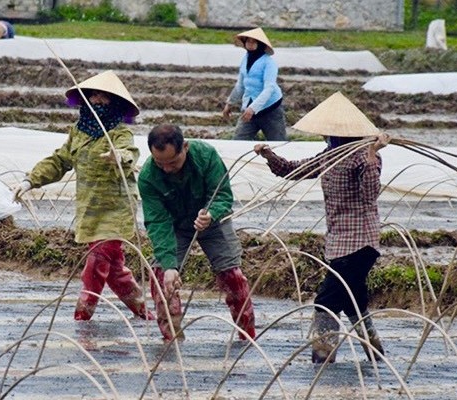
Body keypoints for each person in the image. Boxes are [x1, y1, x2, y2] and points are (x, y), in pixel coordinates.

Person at [252, 92, 390, 363]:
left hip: (360, 243)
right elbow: (292, 170)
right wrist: (268, 154)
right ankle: (375, 353)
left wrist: (373, 154)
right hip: (338, 243)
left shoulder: (363, 156)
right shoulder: (330, 154)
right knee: (353, 300)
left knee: (325, 300)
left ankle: (322, 357)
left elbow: (369, 195)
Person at [11, 71, 153, 322]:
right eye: (93, 96)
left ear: (115, 103)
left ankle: (82, 314)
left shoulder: (119, 133)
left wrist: (118, 156)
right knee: (115, 269)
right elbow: (60, 160)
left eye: (104, 97)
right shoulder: (78, 131)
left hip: (115, 209)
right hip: (89, 208)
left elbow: (129, 152)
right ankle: (143, 312)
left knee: (97, 261)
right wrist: (30, 180)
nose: (97, 101)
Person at [137, 123, 255, 342]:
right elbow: (157, 222)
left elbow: (222, 195)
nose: (167, 169)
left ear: (186, 148)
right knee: (163, 277)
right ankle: (171, 339)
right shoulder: (148, 177)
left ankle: (247, 336)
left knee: (233, 276)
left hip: (212, 222)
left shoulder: (206, 156)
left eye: (172, 162)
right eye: (160, 163)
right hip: (175, 226)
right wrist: (170, 265)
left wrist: (211, 213)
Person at [222, 27, 287, 141]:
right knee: (238, 140)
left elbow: (269, 88)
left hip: (270, 109)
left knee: (277, 143)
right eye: (248, 41)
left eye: (254, 42)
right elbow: (240, 85)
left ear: (260, 44)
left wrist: (253, 108)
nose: (250, 44)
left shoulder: (268, 62)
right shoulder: (245, 60)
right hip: (249, 107)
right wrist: (230, 103)